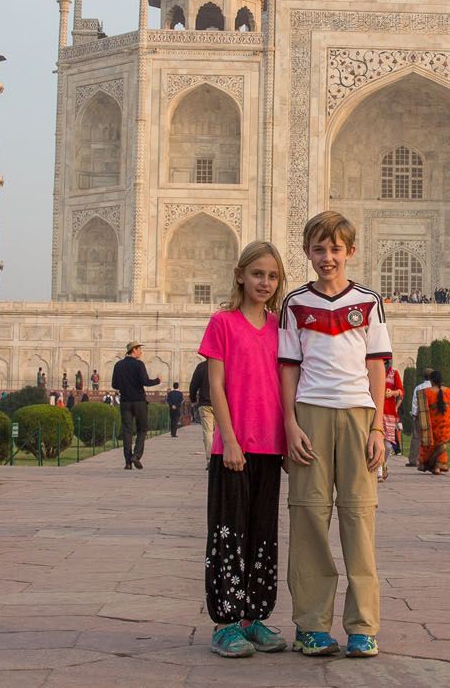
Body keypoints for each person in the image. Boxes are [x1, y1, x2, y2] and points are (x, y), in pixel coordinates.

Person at [279, 210, 390, 659]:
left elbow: (377, 365)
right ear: (307, 252)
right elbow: (288, 367)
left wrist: (379, 425)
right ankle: (311, 625)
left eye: (335, 249)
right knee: (308, 517)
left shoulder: (367, 301)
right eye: (319, 249)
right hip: (310, 413)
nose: (327, 258)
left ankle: (363, 626)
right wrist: (290, 423)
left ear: (350, 252)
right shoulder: (295, 303)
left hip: (358, 414)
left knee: (359, 518)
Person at [199, 240, 291, 659]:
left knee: (261, 534)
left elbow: (286, 386)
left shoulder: (280, 327)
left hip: (270, 446)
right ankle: (225, 623)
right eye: (257, 274)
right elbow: (215, 385)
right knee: (228, 532)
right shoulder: (223, 322)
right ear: (240, 275)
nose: (264, 282)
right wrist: (230, 438)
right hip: (233, 447)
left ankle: (254, 617)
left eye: (272, 276)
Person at [112, 342, 161, 469]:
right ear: (133, 350)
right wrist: (158, 380)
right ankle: (136, 455)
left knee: (127, 431)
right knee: (142, 429)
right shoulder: (139, 364)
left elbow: (114, 385)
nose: (141, 352)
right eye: (139, 349)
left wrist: (125, 385)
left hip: (125, 402)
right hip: (139, 401)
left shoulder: (118, 365)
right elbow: (145, 382)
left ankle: (128, 462)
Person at [415, 370, 450, 474]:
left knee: (430, 445)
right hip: (445, 422)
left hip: (431, 423)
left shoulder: (427, 392)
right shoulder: (448, 391)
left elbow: (423, 409)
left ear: (431, 381)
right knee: (441, 444)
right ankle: (438, 466)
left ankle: (430, 465)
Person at [189, 357, 214, 458]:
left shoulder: (201, 367)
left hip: (205, 404)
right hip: (221, 404)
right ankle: (219, 460)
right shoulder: (223, 365)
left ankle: (210, 459)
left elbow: (193, 385)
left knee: (208, 432)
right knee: (220, 433)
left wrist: (193, 399)